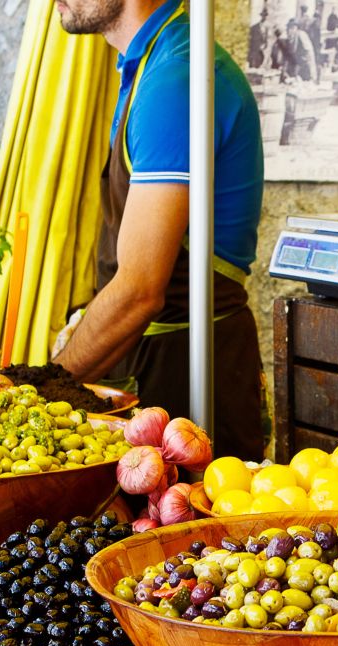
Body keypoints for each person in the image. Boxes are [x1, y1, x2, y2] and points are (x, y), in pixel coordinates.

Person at [52, 0, 266, 459]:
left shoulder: (176, 79)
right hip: (152, 358)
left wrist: (43, 388)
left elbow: (138, 292)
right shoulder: (151, 63)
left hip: (189, 373)